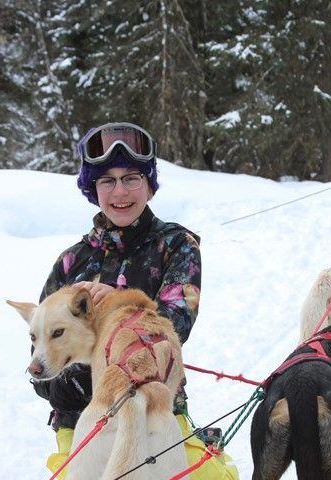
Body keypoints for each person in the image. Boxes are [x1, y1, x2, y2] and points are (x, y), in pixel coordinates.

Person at [33, 122, 238, 479]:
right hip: (81, 419)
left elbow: (175, 323)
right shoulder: (70, 262)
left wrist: (119, 305)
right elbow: (41, 365)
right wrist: (77, 372)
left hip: (156, 411)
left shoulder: (176, 246)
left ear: (148, 185)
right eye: (107, 180)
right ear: (92, 188)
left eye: (131, 178)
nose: (120, 191)